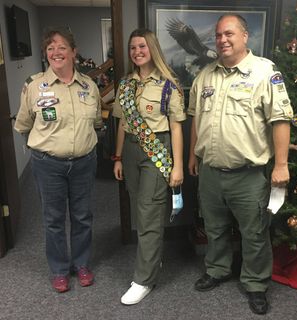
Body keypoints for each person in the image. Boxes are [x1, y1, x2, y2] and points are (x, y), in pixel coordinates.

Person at [188, 14, 293, 315]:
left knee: (255, 233)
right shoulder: (205, 76)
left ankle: (256, 284)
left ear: (245, 36)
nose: (222, 39)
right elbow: (197, 118)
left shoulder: (265, 72)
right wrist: (192, 156)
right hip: (210, 172)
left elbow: (281, 120)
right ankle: (218, 269)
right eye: (219, 35)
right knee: (214, 227)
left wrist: (281, 165)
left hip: (248, 175)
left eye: (229, 33)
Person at [14, 27, 102, 293]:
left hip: (84, 161)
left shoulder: (89, 86)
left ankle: (82, 263)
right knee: (53, 219)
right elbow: (24, 125)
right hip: (48, 164)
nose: (56, 52)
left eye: (62, 47)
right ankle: (60, 269)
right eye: (50, 48)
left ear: (74, 52)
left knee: (82, 216)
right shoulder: (33, 86)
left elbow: (96, 122)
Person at [112, 28, 186, 305]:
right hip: (131, 152)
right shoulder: (126, 84)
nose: (137, 51)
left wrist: (177, 167)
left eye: (142, 46)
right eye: (133, 47)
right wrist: (118, 156)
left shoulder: (169, 85)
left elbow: (177, 128)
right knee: (139, 209)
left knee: (149, 213)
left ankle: (144, 279)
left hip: (157, 152)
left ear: (152, 48)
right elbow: (122, 122)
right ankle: (153, 261)